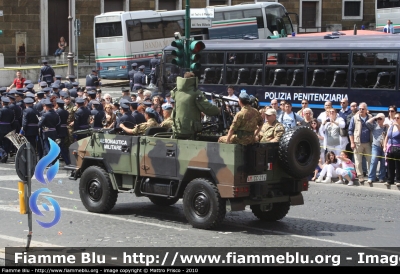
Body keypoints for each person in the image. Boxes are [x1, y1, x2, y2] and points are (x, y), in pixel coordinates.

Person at [172, 72, 220, 140]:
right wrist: (218, 110)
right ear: (193, 80)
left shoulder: (176, 91)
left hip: (177, 129)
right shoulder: (195, 93)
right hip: (190, 130)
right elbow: (208, 109)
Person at [348, 102, 372, 183]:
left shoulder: (370, 117)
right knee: (358, 161)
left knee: (370, 160)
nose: (361, 110)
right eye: (360, 108)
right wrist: (352, 142)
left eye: (363, 109)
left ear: (366, 110)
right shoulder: (354, 118)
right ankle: (360, 176)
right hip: (358, 142)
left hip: (368, 142)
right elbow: (350, 131)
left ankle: (370, 176)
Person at [366, 113, 387, 185]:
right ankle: (371, 177)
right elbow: (367, 123)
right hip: (376, 146)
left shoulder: (386, 127)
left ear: (384, 119)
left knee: (383, 162)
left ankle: (381, 177)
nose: (378, 120)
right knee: (373, 161)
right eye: (378, 119)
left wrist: (387, 125)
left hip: (384, 147)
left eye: (380, 119)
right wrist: (375, 117)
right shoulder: (374, 126)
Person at [382, 112, 400, 187]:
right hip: (390, 147)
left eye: (398, 118)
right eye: (394, 118)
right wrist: (385, 146)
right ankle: (390, 180)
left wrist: (398, 126)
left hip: (398, 147)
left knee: (398, 165)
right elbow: (387, 136)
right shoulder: (391, 126)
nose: (396, 119)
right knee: (390, 165)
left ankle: (398, 180)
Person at [55, 98, 70, 165]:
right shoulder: (66, 112)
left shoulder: (57, 112)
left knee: (60, 146)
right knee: (62, 144)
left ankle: (67, 160)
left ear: (58, 104)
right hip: (64, 129)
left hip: (59, 130)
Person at [0, 97, 15, 163]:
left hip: (1, 127)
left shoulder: (1, 110)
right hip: (8, 127)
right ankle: (5, 158)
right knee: (7, 143)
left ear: (2, 103)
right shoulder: (11, 111)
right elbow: (12, 120)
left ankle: (2, 154)